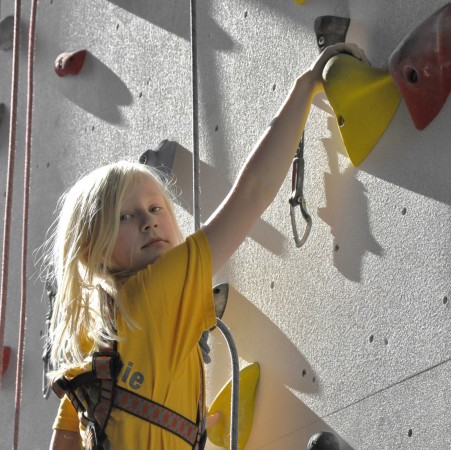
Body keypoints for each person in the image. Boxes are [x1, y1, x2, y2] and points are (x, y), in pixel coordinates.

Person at [48, 43, 367, 450]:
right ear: (94, 252)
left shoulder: (92, 363)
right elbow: (252, 193)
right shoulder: (158, 289)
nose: (148, 221)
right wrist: (306, 87)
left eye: (155, 207)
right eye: (125, 217)